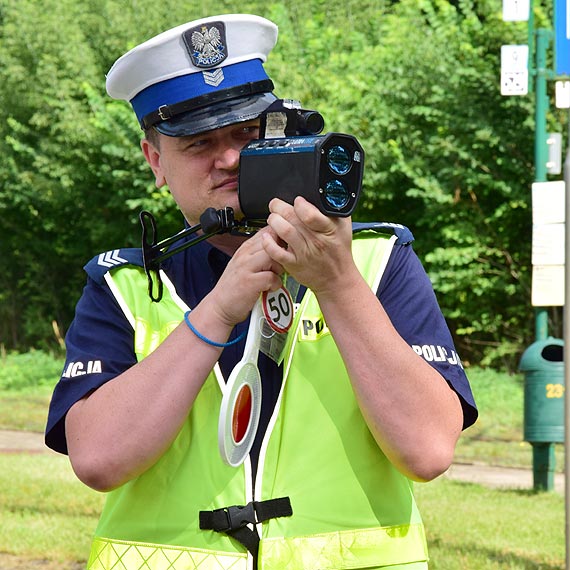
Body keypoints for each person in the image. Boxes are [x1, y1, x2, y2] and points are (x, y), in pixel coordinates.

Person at [46, 13, 477, 570]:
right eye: (199, 143)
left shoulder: (376, 261)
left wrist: (337, 282)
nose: (227, 159)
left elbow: (427, 449)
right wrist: (218, 310)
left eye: (245, 135)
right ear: (156, 162)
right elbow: (99, 460)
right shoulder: (122, 285)